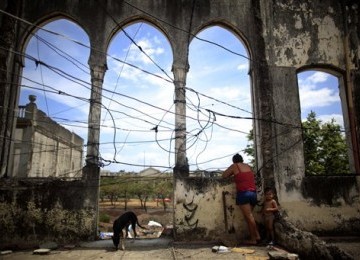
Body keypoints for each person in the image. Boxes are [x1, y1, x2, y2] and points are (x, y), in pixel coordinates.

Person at [222, 153, 260, 245]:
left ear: (233, 160)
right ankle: (254, 238)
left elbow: (224, 175)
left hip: (244, 193)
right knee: (248, 217)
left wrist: (233, 173)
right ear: (242, 160)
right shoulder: (248, 166)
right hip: (253, 194)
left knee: (249, 217)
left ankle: (256, 237)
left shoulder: (235, 166)